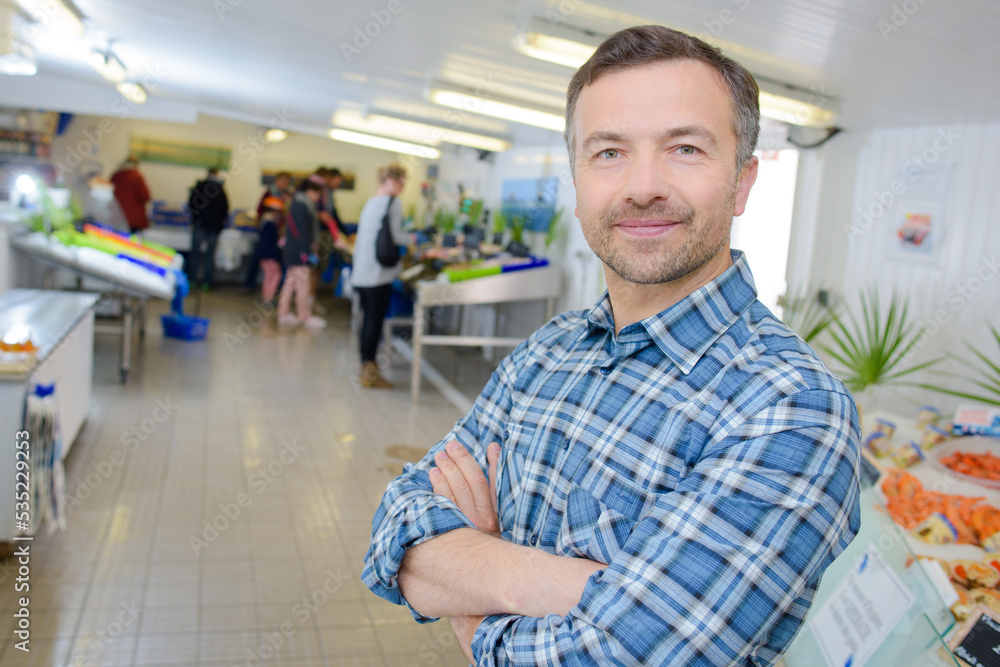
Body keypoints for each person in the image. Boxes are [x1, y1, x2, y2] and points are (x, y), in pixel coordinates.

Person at [363, 25, 861, 666]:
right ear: (578, 179)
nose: (642, 185)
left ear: (741, 183)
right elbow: (393, 532)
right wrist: (573, 587)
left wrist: (469, 594)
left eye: (684, 148)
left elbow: (614, 659)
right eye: (608, 153)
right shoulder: (548, 352)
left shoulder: (793, 408)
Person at [350, 163, 406, 388]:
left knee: (366, 323)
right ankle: (370, 373)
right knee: (374, 324)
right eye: (401, 182)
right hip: (378, 275)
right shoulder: (393, 203)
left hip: (361, 274)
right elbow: (397, 236)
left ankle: (366, 367)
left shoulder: (370, 203)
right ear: (391, 181)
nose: (402, 187)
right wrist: (418, 240)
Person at [276, 179, 326, 329]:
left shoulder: (298, 204)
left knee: (290, 283)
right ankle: (305, 317)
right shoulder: (301, 206)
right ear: (310, 191)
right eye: (318, 194)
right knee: (303, 285)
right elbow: (300, 233)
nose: (318, 198)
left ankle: (283, 314)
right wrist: (306, 252)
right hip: (299, 252)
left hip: (295, 250)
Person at [245, 172, 293, 290]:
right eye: (281, 180)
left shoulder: (289, 196)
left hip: (281, 233)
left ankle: (275, 288)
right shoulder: (268, 193)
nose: (283, 183)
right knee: (258, 257)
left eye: (285, 181)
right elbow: (259, 211)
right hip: (267, 231)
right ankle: (250, 285)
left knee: (278, 262)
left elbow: (291, 215)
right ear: (276, 181)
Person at [186, 167, 229, 291]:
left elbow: (191, 204)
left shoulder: (200, 187)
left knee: (195, 253)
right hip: (213, 226)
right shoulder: (220, 190)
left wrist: (196, 218)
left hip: (200, 224)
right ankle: (207, 283)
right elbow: (225, 209)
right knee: (210, 255)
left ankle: (192, 280)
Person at [110, 157, 151, 234]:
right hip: (133, 218)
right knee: (132, 243)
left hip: (117, 216)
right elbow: (145, 196)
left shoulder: (116, 175)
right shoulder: (136, 176)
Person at [257, 195, 285, 306]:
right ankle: (268, 299)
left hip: (264, 255)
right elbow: (270, 244)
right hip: (269, 256)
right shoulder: (271, 225)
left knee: (269, 276)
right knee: (274, 276)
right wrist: (275, 258)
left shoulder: (264, 222)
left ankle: (267, 298)